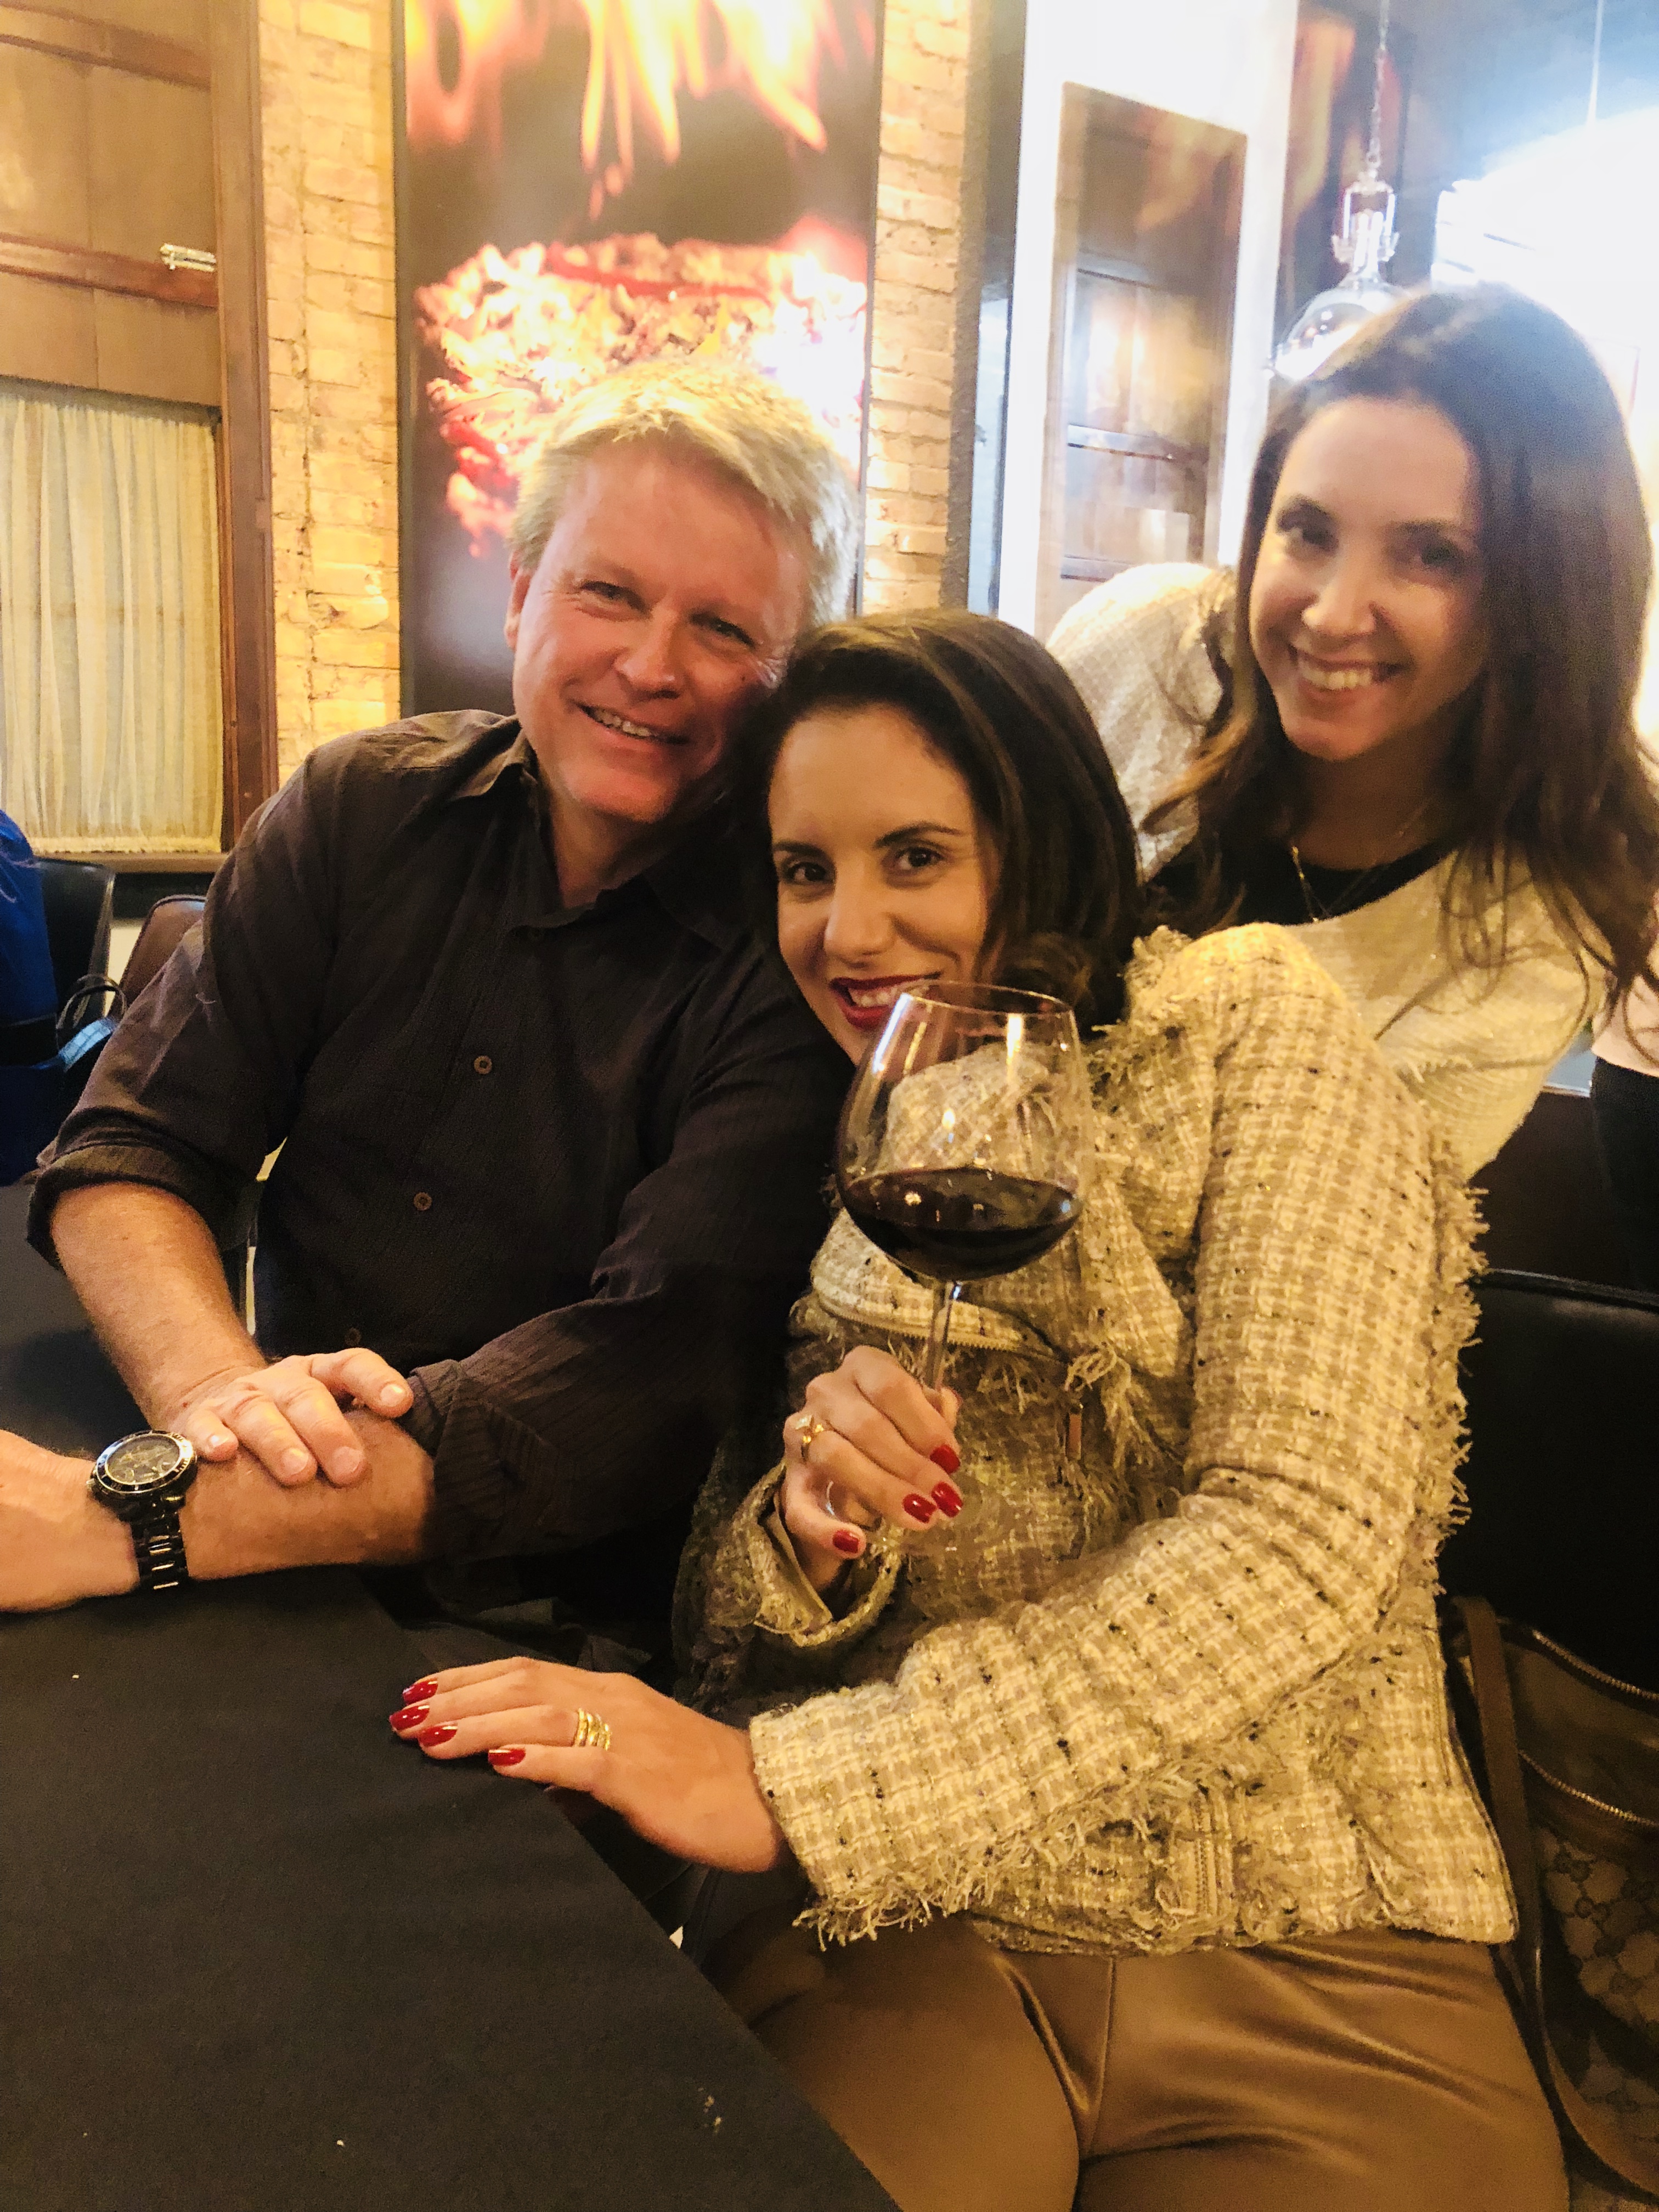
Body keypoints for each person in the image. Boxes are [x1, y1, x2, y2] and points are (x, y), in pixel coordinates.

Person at [387, 612, 1565, 2212]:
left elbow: (1301, 1538)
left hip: (1309, 1942)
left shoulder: (1248, 1025)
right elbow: (730, 1640)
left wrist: (798, 1790)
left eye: (916, 856)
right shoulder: (853, 1122)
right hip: (916, 1932)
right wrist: (810, 1534)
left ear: (1039, 834)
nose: (848, 929)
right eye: (803, 870)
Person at [0, 359, 856, 1621]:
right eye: (608, 592)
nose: (651, 665)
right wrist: (217, 1404)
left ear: (793, 681)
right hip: (262, 1500)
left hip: (574, 1616)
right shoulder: (358, 811)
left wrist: (144, 1516)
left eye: (726, 629)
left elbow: (643, 1372)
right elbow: (131, 1146)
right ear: (519, 596)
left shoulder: (805, 950)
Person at [1049, 284, 1659, 1179]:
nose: (1333, 617)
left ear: (1546, 599)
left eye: (1433, 555)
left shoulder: (1539, 916)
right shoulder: (1146, 645)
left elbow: (1328, 1229)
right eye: (1308, 531)